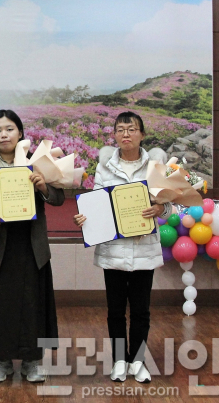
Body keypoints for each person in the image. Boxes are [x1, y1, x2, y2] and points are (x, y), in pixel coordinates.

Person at [0, 109, 64, 383]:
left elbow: (57, 198)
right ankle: (1, 361)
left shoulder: (37, 162)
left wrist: (43, 186)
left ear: (20, 133)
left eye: (9, 129)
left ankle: (32, 362)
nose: (4, 135)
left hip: (30, 246)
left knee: (33, 305)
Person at [73, 111, 169, 383]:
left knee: (141, 310)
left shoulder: (155, 166)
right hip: (113, 249)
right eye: (120, 129)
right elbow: (96, 202)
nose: (126, 134)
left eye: (132, 129)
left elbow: (170, 204)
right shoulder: (105, 166)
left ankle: (137, 362)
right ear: (114, 135)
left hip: (144, 248)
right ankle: (119, 361)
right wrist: (85, 218)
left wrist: (161, 209)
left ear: (142, 134)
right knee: (115, 310)